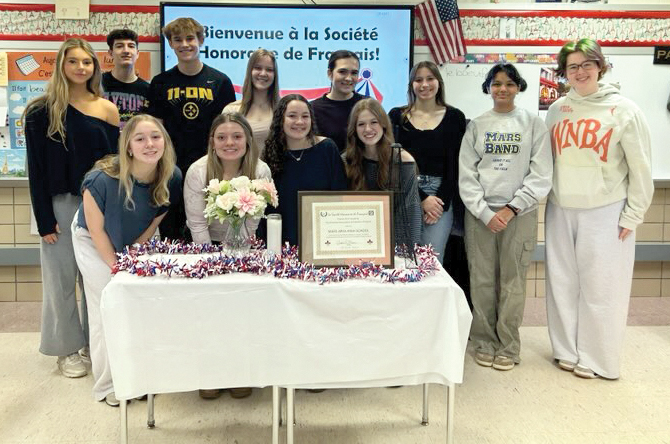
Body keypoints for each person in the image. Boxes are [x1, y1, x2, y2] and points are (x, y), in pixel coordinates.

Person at [545, 39, 653, 380]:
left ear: (600, 66)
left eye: (586, 64)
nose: (580, 72)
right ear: (564, 72)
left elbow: (641, 169)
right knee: (561, 284)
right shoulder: (557, 109)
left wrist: (633, 214)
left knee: (603, 288)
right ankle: (566, 350)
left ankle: (597, 359)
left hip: (605, 210)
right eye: (572, 66)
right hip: (560, 207)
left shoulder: (624, 110)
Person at [24, 38, 119, 379]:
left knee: (97, 278)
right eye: (73, 61)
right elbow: (35, 169)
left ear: (95, 67)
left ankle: (96, 344)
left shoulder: (107, 109)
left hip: (98, 204)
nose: (81, 67)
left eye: (87, 62)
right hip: (59, 205)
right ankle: (65, 350)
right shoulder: (40, 111)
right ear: (61, 65)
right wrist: (44, 219)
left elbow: (114, 166)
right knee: (61, 281)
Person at [72, 114, 182, 406]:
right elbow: (96, 230)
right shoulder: (100, 179)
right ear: (128, 146)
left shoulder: (172, 176)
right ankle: (109, 385)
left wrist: (133, 255)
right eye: (140, 138)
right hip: (93, 240)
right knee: (107, 304)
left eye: (155, 137)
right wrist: (117, 267)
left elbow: (153, 222)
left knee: (140, 304)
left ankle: (140, 377)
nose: (150, 144)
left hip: (137, 239)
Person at [459, 63, 552, 371]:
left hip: (519, 215)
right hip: (481, 216)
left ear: (518, 87)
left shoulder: (533, 124)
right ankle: (484, 341)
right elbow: (467, 176)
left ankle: (509, 345)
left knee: (513, 281)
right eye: (496, 83)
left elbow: (541, 174)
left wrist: (512, 208)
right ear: (488, 87)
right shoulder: (477, 126)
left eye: (509, 84)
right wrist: (485, 212)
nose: (502, 89)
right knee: (482, 280)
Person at [184, 112, 271, 399]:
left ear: (248, 140)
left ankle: (240, 372)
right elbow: (197, 223)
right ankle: (209, 373)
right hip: (207, 247)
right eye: (221, 137)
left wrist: (238, 259)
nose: (229, 143)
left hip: (245, 247)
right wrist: (213, 265)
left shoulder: (260, 171)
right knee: (210, 313)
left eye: (236, 136)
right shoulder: (198, 171)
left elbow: (253, 221)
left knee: (242, 311)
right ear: (212, 141)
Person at [147, 17, 236, 241]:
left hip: (210, 169)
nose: (184, 44)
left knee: (210, 232)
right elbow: (155, 130)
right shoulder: (160, 83)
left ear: (201, 40)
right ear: (170, 43)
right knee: (172, 234)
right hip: (171, 169)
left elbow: (228, 130)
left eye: (190, 38)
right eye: (178, 40)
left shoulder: (220, 82)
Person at [389, 61, 466, 265]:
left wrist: (438, 203)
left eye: (430, 79)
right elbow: (392, 163)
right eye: (418, 80)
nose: (424, 85)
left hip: (440, 197)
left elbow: (455, 165)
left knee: (431, 264)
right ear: (411, 85)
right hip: (405, 191)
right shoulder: (396, 116)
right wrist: (421, 198)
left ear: (439, 82)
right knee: (403, 262)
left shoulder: (455, 117)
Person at [263, 94, 347, 246]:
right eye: (292, 116)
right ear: (280, 120)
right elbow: (267, 209)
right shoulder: (270, 153)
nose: (299, 122)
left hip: (324, 241)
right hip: (282, 244)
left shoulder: (327, 148)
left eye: (305, 116)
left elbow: (340, 196)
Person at [344, 98, 422, 248]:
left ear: (384, 125)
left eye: (374, 122)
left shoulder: (403, 161)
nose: (368, 129)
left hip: (395, 242)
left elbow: (410, 210)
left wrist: (400, 251)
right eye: (361, 124)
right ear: (354, 129)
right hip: (356, 241)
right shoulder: (345, 161)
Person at [223, 49, 280, 156]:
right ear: (250, 71)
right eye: (258, 68)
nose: (263, 73)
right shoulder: (231, 110)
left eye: (269, 70)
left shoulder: (283, 110)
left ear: (275, 75)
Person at [311, 50, 365, 153]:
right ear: (329, 73)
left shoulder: (367, 105)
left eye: (354, 73)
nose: (349, 78)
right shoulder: (313, 109)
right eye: (342, 72)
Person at [102, 29, 150, 128]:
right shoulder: (98, 83)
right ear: (110, 53)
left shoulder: (148, 90)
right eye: (119, 46)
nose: (126, 51)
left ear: (137, 53)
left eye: (131, 46)